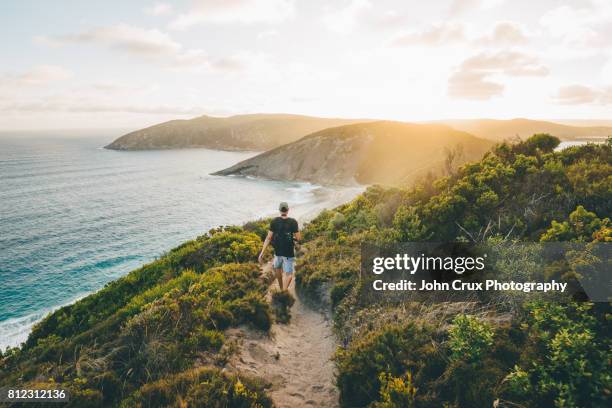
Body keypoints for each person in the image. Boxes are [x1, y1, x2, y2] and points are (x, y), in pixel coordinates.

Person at [258, 202, 301, 290]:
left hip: (277, 251)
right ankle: (284, 291)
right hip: (288, 252)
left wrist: (262, 252)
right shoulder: (293, 222)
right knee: (289, 274)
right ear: (288, 210)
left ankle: (281, 288)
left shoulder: (274, 221)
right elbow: (299, 238)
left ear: (280, 210)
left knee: (277, 268)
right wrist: (293, 236)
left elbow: (268, 238)